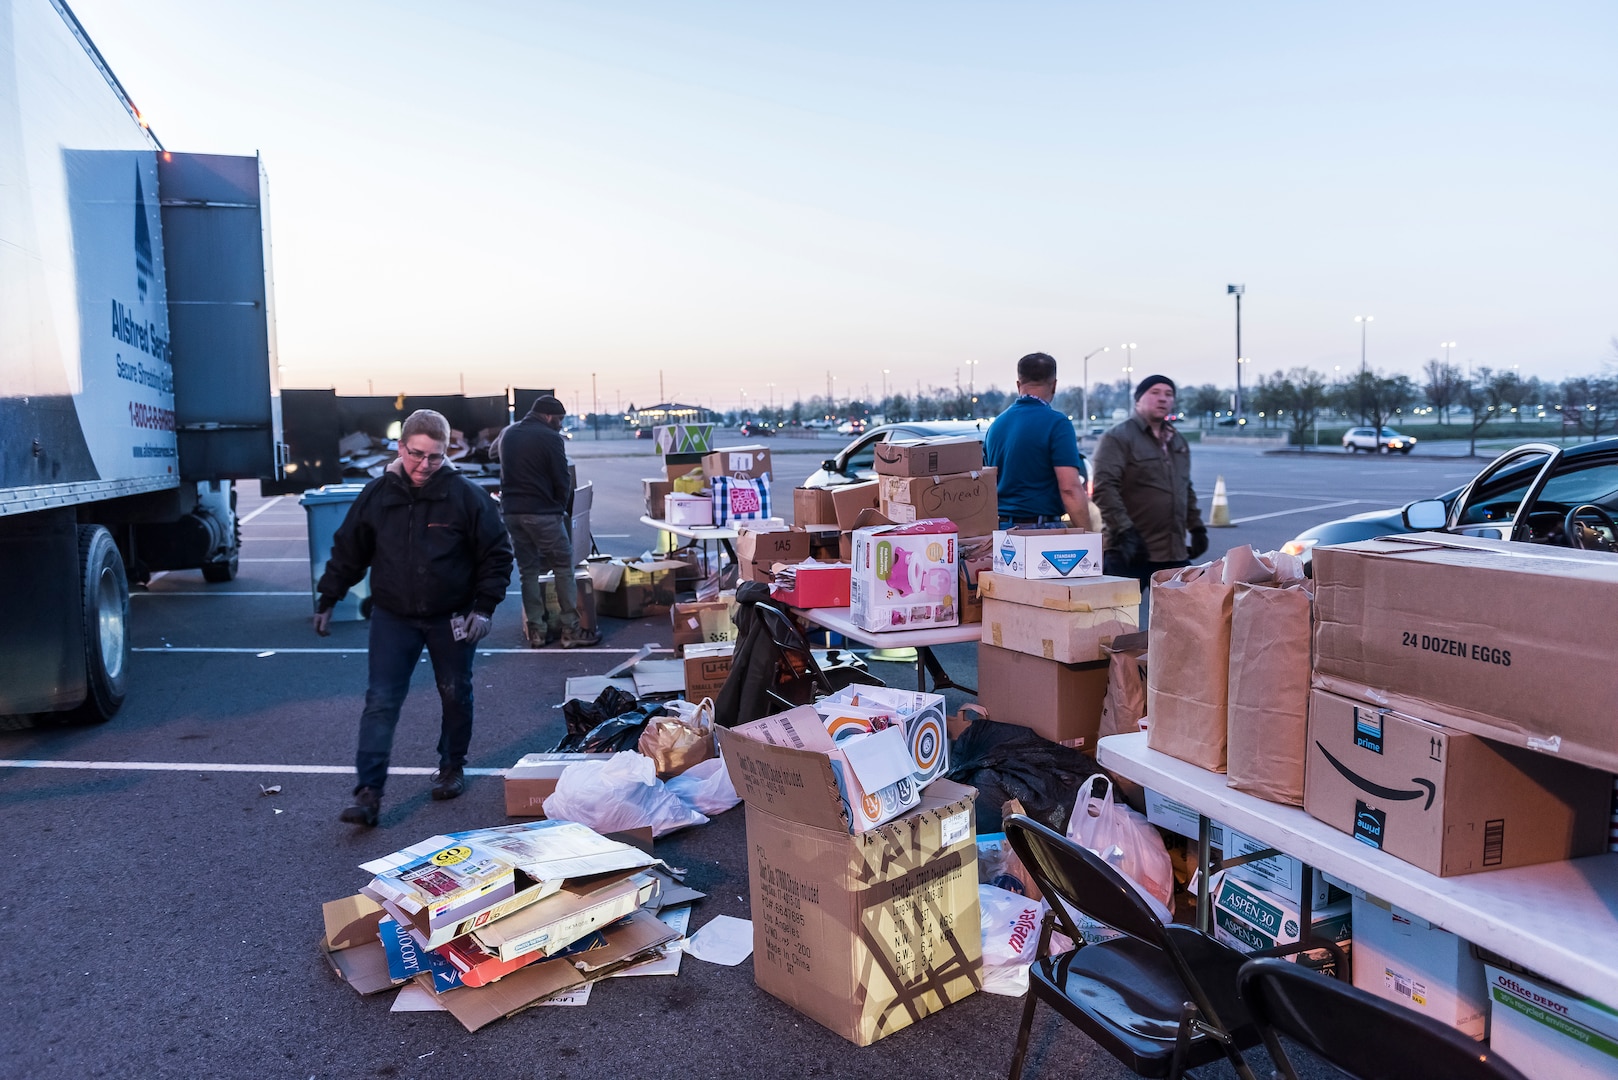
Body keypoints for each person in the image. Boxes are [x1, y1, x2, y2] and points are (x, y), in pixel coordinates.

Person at [314, 409, 514, 827]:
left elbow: (496, 553)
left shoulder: (466, 496)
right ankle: (369, 792)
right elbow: (350, 549)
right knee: (381, 701)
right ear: (401, 447)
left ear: (448, 453)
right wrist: (329, 597)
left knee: (455, 693)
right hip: (393, 617)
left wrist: (483, 608)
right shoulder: (377, 494)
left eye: (436, 457)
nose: (425, 465)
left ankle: (451, 767)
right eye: (417, 454)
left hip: (452, 617)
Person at [498, 395, 600, 648]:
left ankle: (537, 631)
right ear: (547, 416)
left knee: (528, 571)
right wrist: (559, 508)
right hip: (542, 512)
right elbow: (562, 478)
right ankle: (571, 631)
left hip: (512, 512)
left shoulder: (509, 434)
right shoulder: (550, 438)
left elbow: (496, 458)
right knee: (563, 567)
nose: (560, 424)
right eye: (559, 419)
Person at [1091, 374, 1207, 589]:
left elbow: (1184, 487)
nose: (1163, 399)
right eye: (1155, 393)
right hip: (1128, 550)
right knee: (1117, 619)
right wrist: (1126, 532)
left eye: (1168, 394)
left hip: (1172, 552)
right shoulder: (1117, 438)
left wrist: (1197, 527)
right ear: (1138, 400)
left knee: (1184, 617)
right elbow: (1104, 489)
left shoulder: (1177, 441)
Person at [984, 352, 1093, 530]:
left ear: (1019, 384)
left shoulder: (996, 426)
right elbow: (1070, 489)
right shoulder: (1057, 424)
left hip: (1001, 531)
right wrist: (1090, 538)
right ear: (1054, 385)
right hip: (1041, 531)